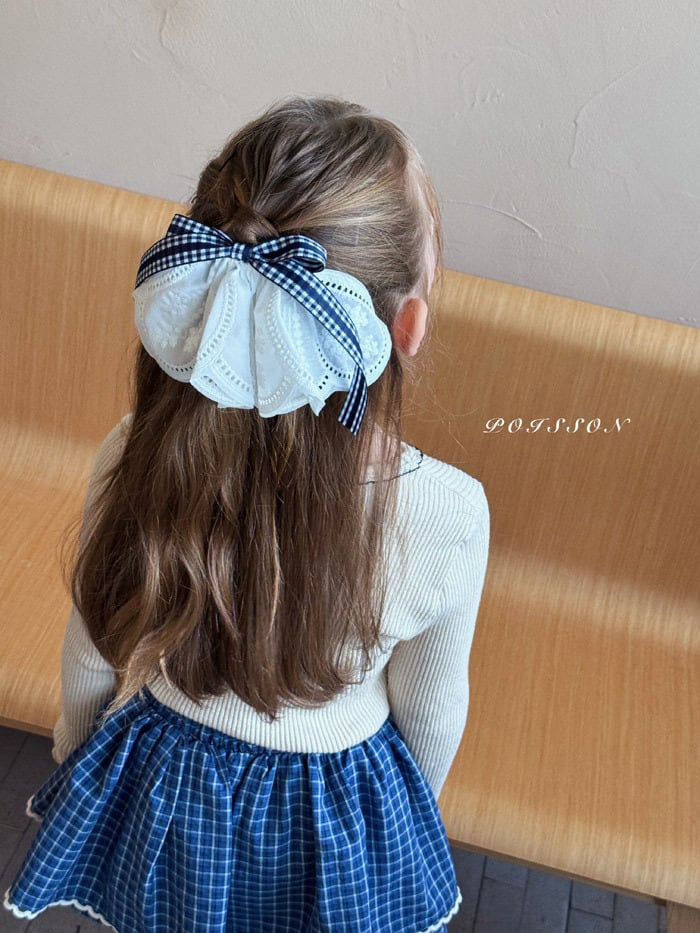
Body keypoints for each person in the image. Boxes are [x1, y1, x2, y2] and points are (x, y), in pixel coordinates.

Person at [3, 97, 489, 932]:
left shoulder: (134, 447)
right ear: (407, 325)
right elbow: (433, 712)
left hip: (166, 784)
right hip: (332, 811)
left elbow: (93, 643)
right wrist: (401, 824)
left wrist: (78, 752)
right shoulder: (449, 510)